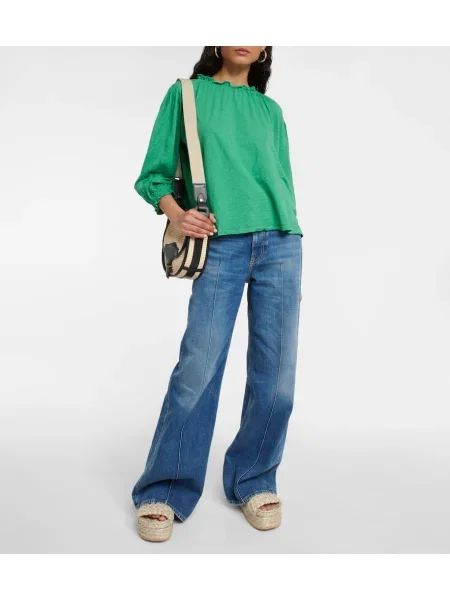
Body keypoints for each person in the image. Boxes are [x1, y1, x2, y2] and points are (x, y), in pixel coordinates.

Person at [131, 46, 303, 542]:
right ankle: (165, 487)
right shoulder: (187, 95)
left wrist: (294, 262)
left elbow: (283, 182)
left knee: (277, 376)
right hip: (219, 244)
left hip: (282, 245)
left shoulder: (270, 110)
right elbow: (152, 176)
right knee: (198, 369)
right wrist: (177, 213)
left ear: (266, 47)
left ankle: (255, 479)